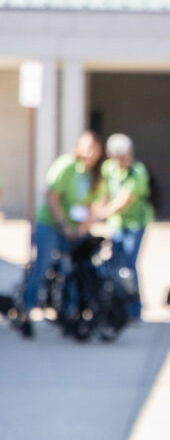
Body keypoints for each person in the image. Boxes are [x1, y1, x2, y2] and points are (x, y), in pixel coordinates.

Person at [16, 130, 105, 338]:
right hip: (51, 223)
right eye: (87, 147)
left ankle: (70, 313)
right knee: (43, 265)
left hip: (73, 227)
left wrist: (83, 228)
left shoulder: (94, 175)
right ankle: (27, 311)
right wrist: (64, 225)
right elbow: (52, 197)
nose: (90, 152)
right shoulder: (66, 165)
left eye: (94, 148)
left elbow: (93, 204)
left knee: (74, 267)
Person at [90, 133, 154, 319]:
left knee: (128, 265)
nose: (123, 160)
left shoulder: (138, 171)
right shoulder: (108, 169)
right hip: (117, 224)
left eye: (125, 156)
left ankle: (134, 310)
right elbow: (103, 193)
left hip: (136, 224)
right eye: (119, 157)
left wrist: (101, 213)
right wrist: (95, 209)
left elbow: (124, 199)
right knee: (114, 264)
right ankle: (118, 305)